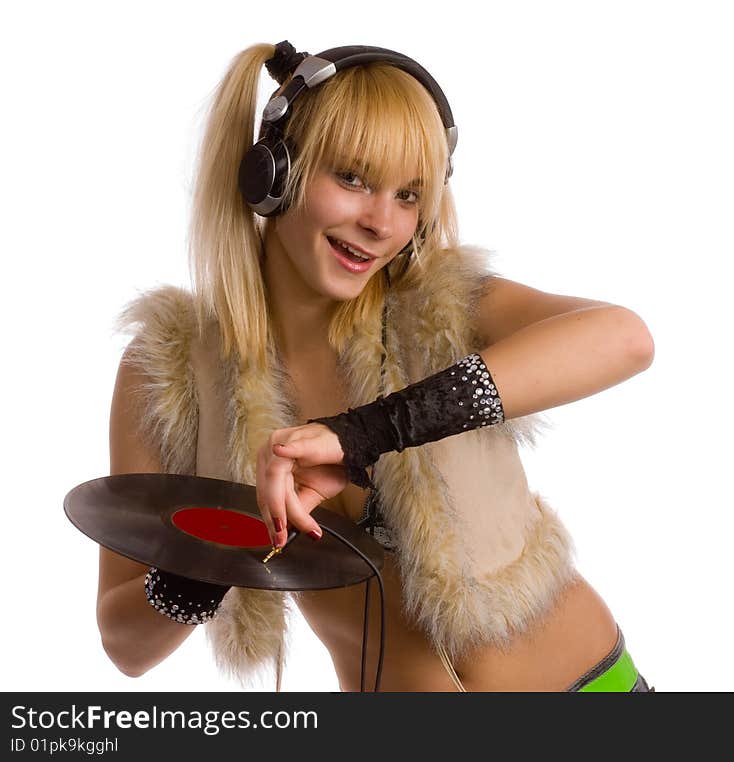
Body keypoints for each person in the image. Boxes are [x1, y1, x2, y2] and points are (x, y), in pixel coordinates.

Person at [98, 41, 656, 692]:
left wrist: (364, 433)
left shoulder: (440, 305)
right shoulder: (169, 370)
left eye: (408, 195)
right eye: (353, 178)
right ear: (273, 174)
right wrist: (211, 553)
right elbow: (123, 644)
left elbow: (625, 339)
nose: (380, 222)